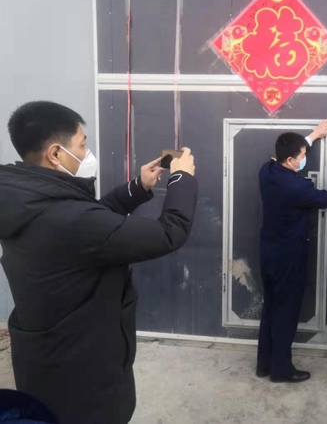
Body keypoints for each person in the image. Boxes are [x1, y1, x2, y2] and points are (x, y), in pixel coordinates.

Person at [0, 101, 198, 424]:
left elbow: (92, 220)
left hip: (45, 358)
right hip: (82, 376)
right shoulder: (67, 217)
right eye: (82, 145)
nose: (87, 152)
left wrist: (137, 188)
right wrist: (182, 179)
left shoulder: (25, 200)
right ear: (55, 154)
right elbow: (168, 233)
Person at [257, 119, 327, 383]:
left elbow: (291, 152)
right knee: (286, 312)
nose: (304, 158)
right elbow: (326, 198)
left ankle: (264, 364)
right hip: (289, 258)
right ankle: (281, 370)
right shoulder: (298, 188)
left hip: (269, 254)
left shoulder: (266, 171)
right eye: (302, 156)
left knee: (271, 307)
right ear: (290, 161)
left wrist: (313, 136)